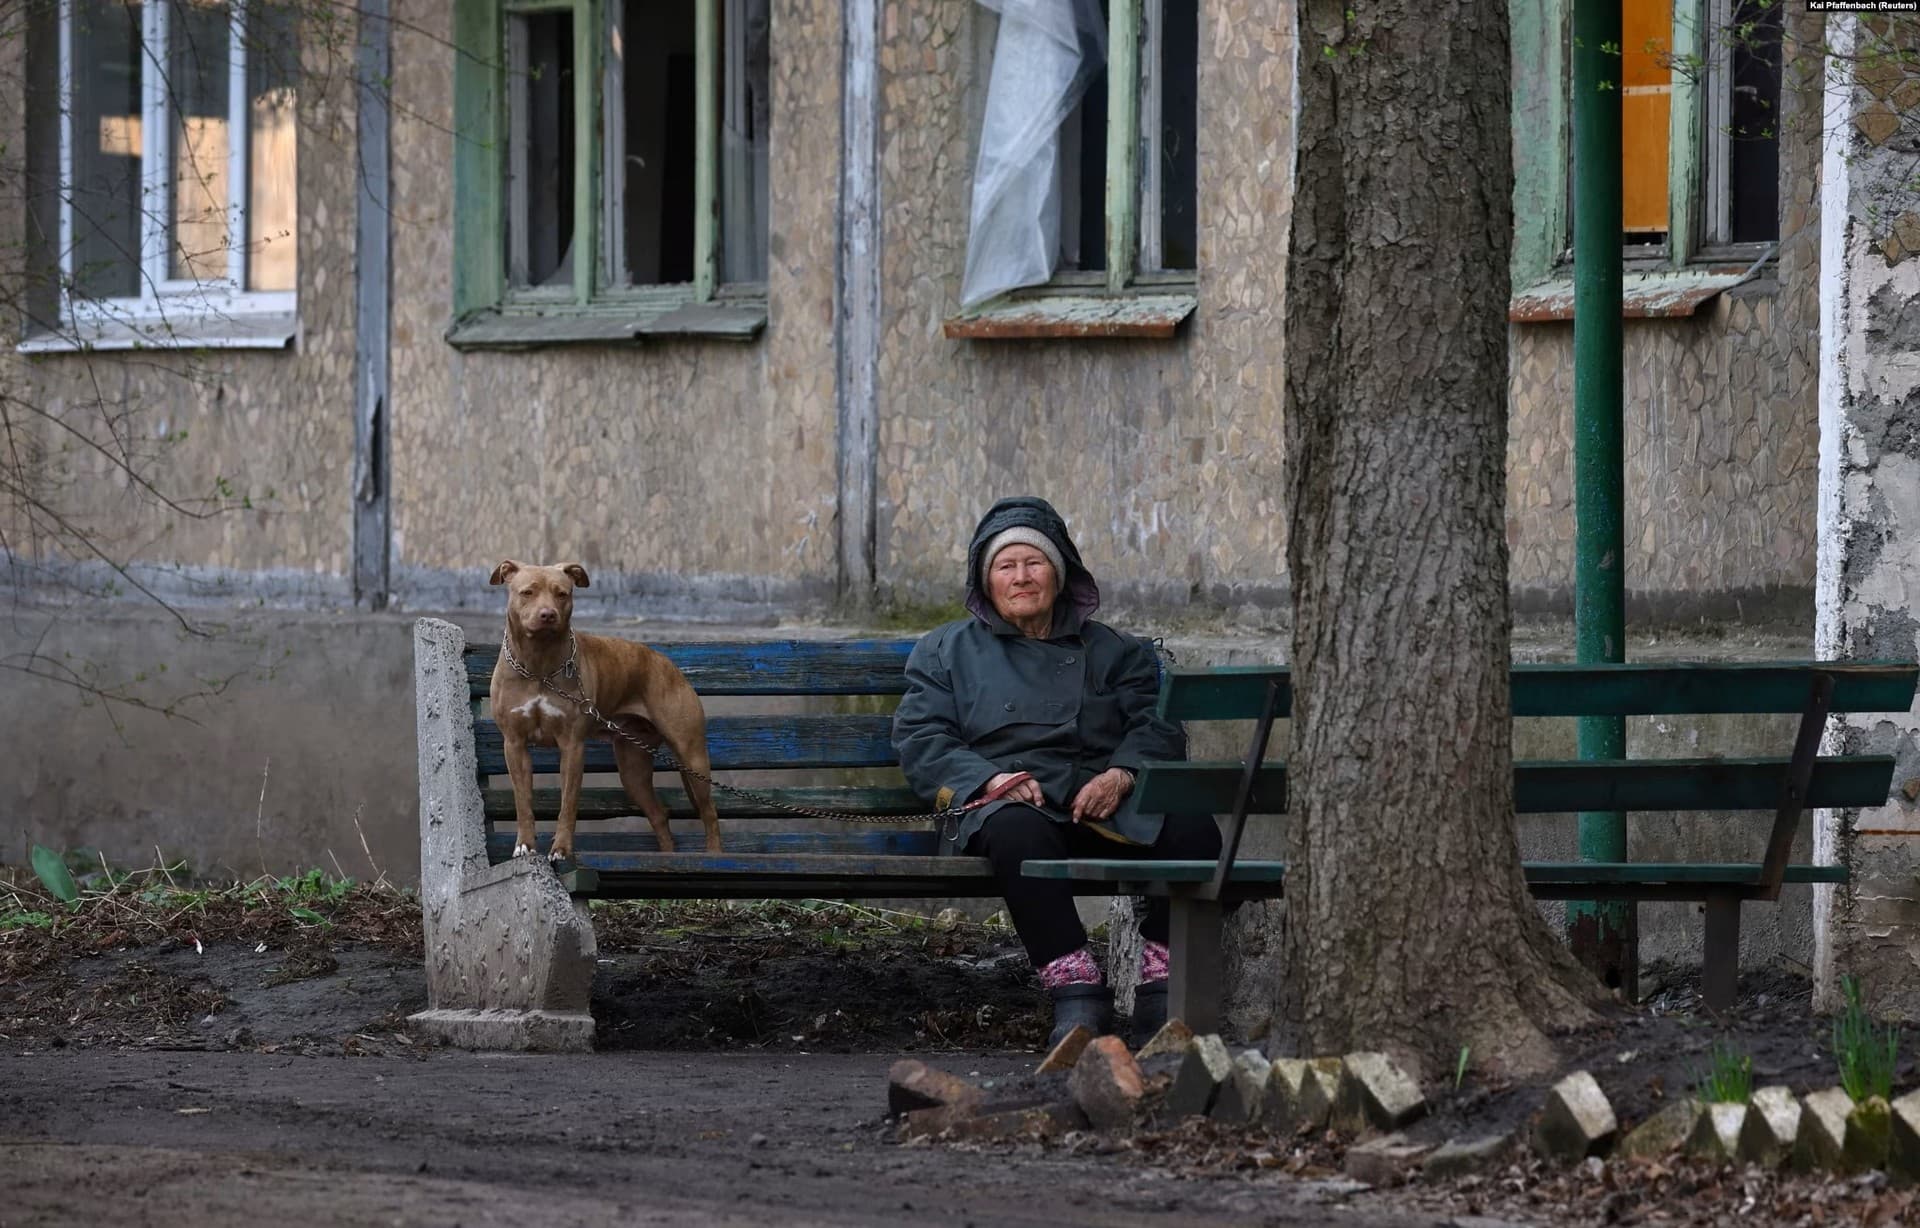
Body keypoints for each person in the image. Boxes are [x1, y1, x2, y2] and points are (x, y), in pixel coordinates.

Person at [892, 496, 1223, 1048]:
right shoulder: (945, 651)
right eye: (1006, 566)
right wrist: (988, 780)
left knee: (1194, 830)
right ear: (986, 580)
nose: (1021, 578)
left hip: (1102, 799)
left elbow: (1157, 725)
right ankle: (1077, 992)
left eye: (1034, 563)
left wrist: (1121, 775)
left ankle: (1163, 986)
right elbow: (921, 736)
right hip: (1005, 803)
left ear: (1060, 572)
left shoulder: (1117, 650)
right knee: (1018, 832)